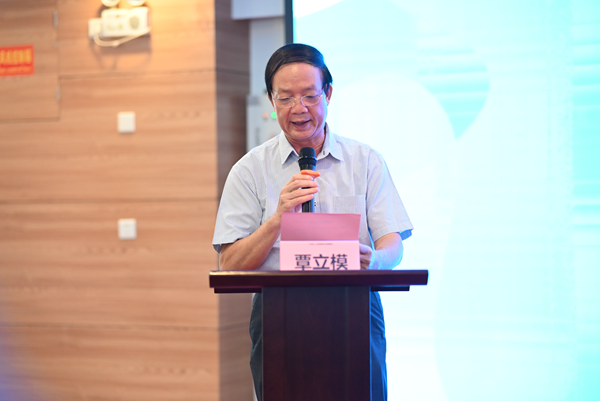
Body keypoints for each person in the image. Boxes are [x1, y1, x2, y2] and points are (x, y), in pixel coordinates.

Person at [212, 43, 413, 401]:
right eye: (286, 97)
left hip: (355, 307)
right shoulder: (249, 170)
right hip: (277, 314)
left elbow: (392, 243)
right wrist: (278, 219)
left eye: (309, 95)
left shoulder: (365, 161)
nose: (299, 108)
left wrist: (375, 260)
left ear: (328, 94)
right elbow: (229, 263)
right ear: (271, 101)